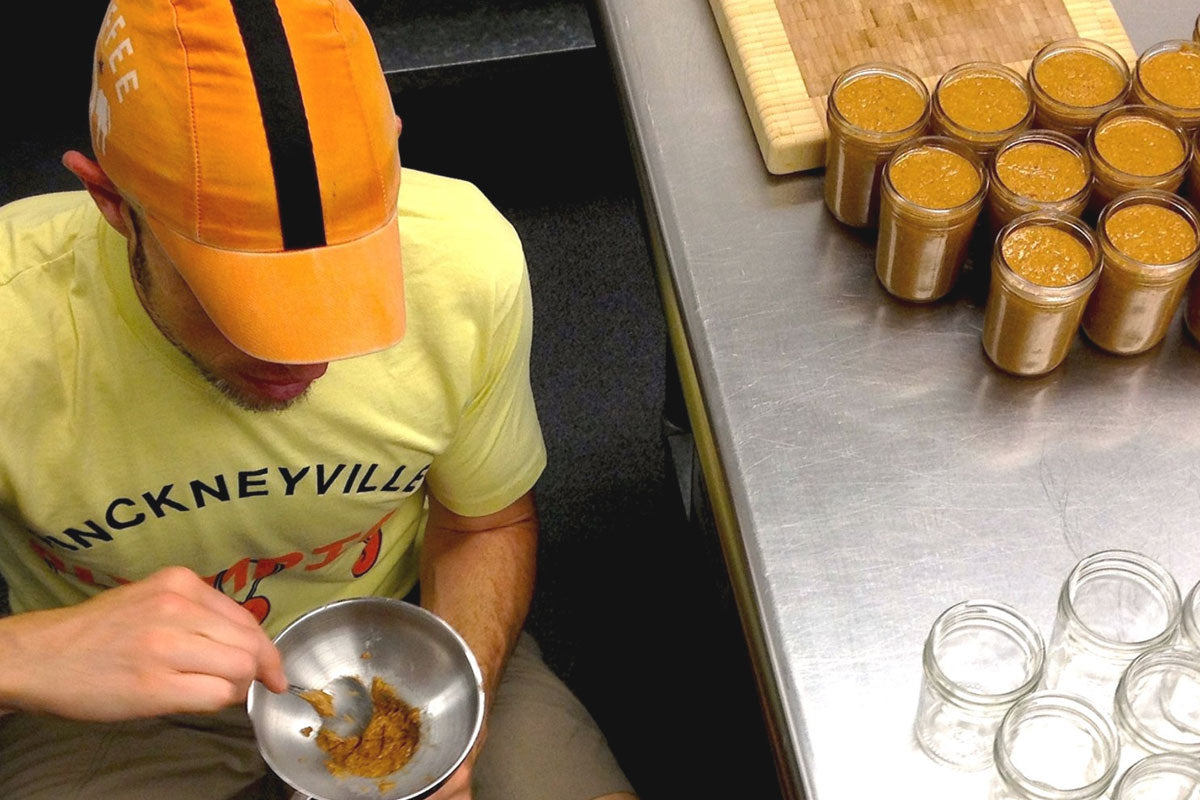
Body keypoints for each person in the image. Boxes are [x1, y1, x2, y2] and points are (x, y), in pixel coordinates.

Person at [0, 2, 636, 799]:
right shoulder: (12, 319)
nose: (304, 357)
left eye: (342, 282)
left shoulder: (464, 260)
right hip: (121, 700)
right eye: (237, 299)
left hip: (399, 640)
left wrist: (444, 728)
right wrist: (22, 655)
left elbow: (485, 523)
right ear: (111, 204)